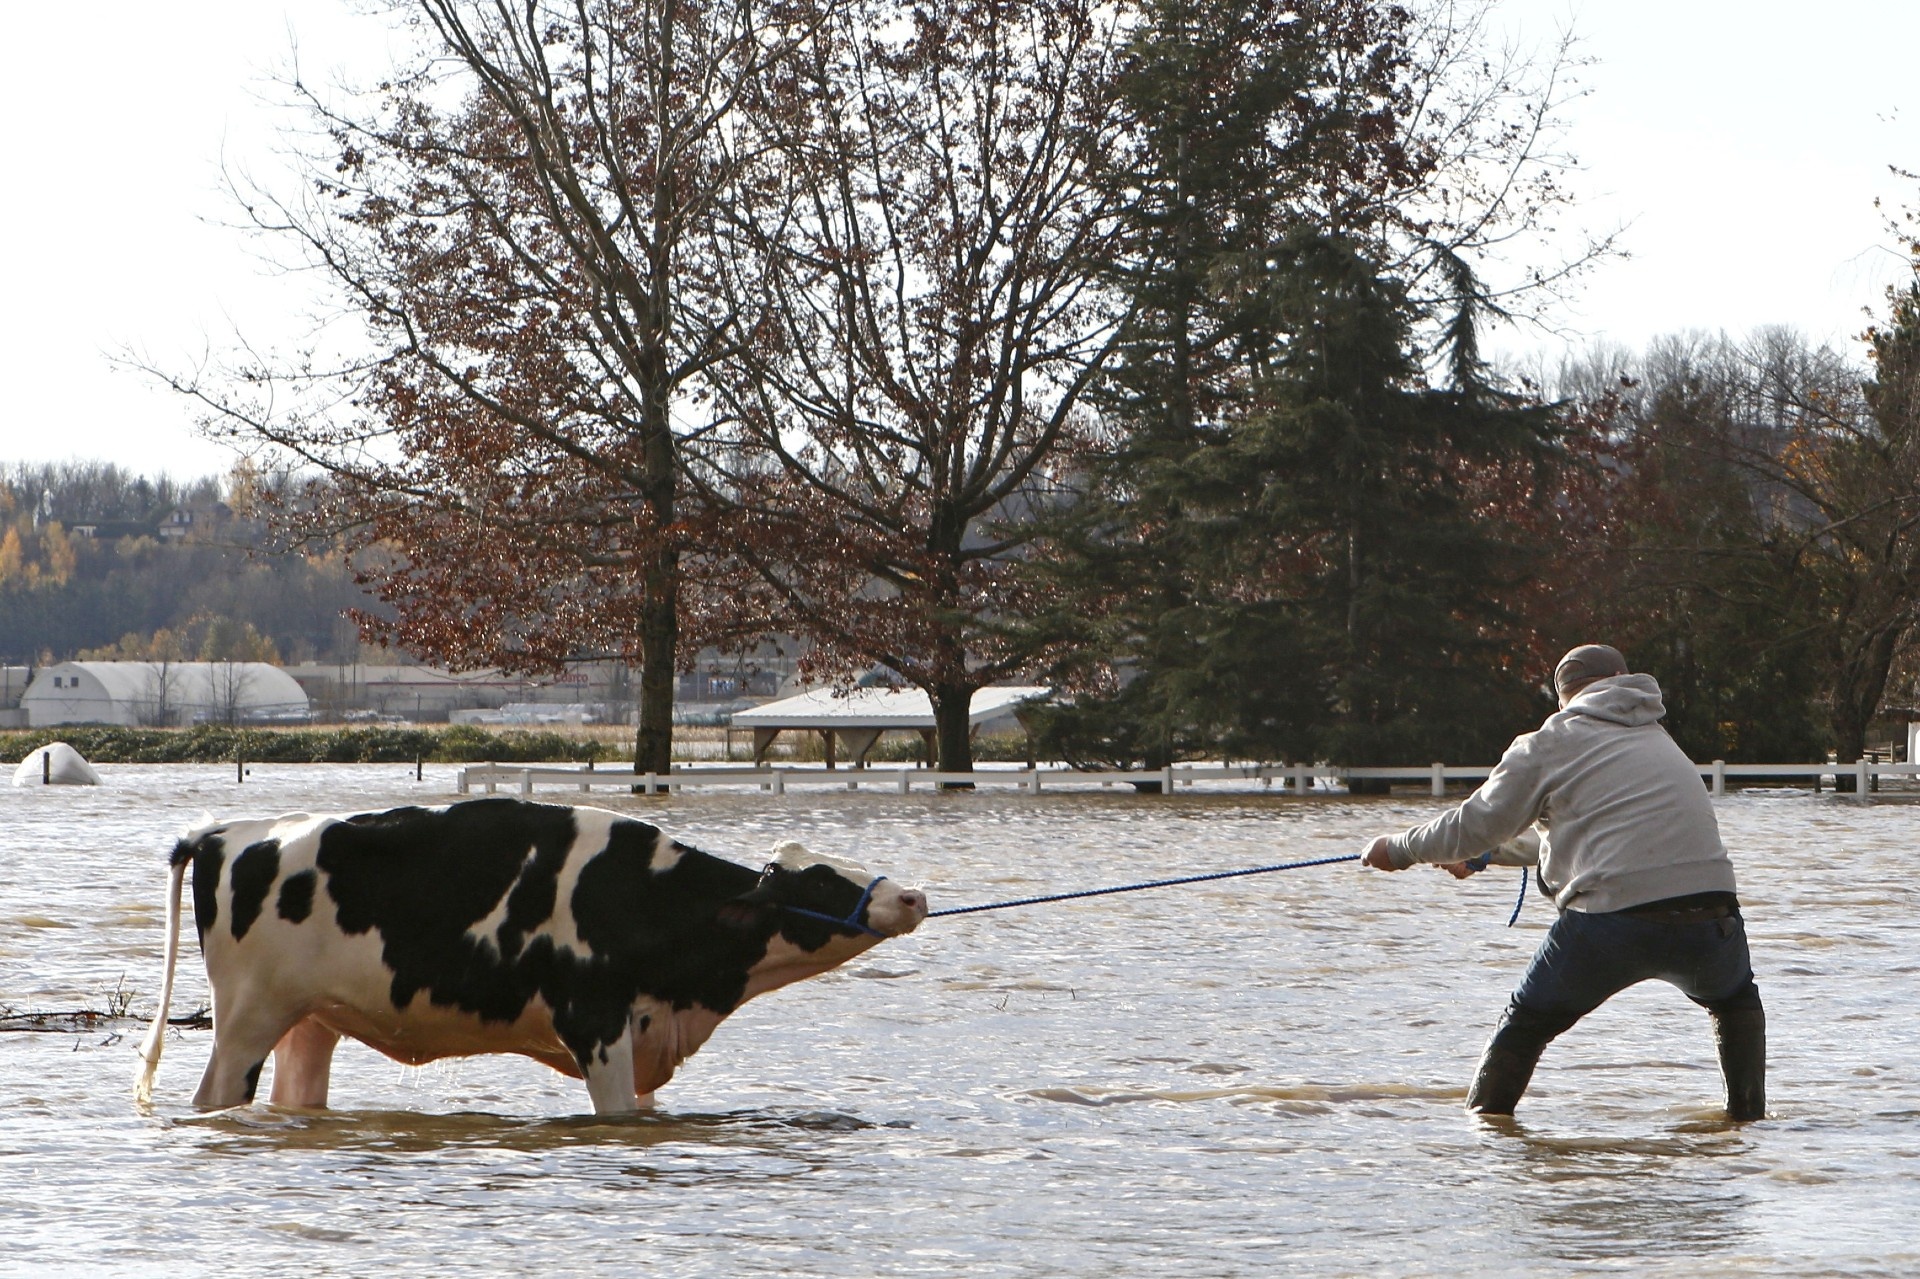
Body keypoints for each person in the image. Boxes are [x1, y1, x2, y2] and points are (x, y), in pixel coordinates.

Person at [1360, 644, 1766, 1121]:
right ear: (1623, 679)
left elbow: (1474, 824)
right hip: (1712, 919)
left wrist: (1399, 848)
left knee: (1525, 1025)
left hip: (1610, 925)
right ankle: (1746, 1127)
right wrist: (1488, 855)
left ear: (1563, 698)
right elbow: (1595, 837)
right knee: (1735, 1004)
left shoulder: (1550, 741)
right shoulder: (1659, 740)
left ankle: (1485, 1135)